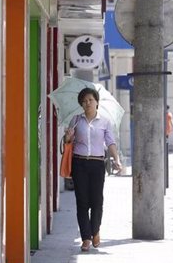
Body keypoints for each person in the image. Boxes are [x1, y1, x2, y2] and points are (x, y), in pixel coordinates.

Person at [64, 87, 122, 252]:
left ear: (97, 102)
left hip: (97, 164)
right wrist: (68, 137)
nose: (87, 103)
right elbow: (68, 142)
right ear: (81, 104)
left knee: (97, 201)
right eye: (84, 101)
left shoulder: (104, 122)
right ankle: (86, 238)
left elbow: (110, 143)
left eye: (90, 100)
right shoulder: (76, 120)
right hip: (79, 163)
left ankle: (95, 230)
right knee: (82, 201)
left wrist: (116, 160)